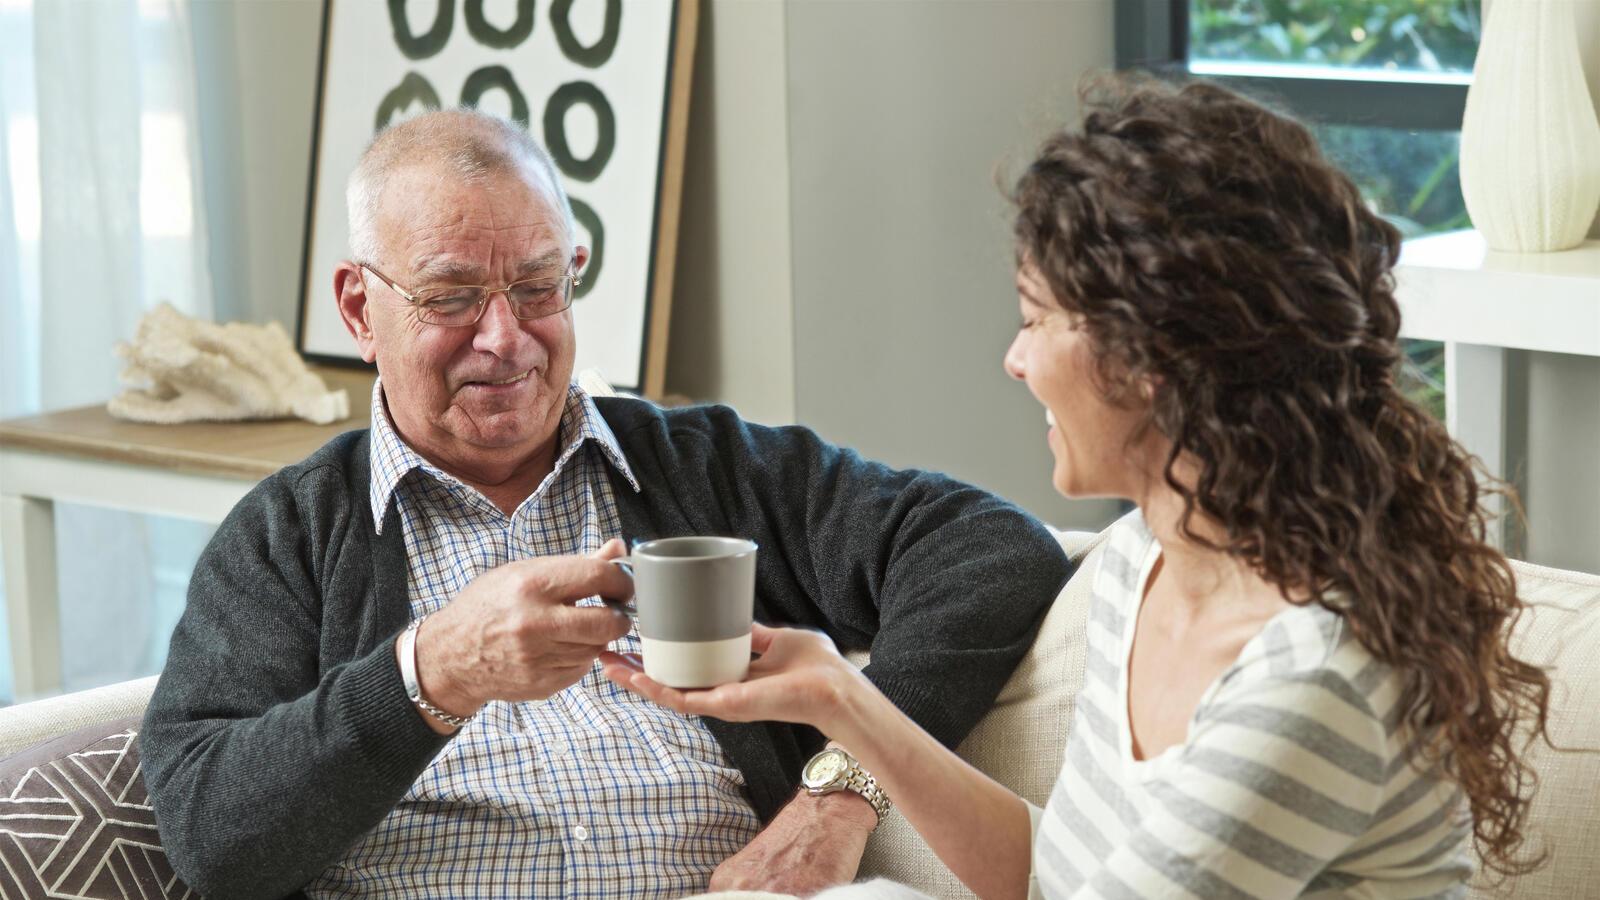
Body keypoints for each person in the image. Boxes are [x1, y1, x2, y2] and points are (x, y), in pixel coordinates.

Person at [604, 78, 1554, 899]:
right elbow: (1050, 878)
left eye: (1036, 319)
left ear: (1150, 360)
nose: (1014, 362)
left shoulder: (1314, 676)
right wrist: (842, 704)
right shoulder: (1144, 559)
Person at [138, 109, 1072, 900]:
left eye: (540, 286)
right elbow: (214, 834)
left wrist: (839, 795)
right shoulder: (289, 536)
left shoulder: (707, 468)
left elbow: (989, 550)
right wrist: (433, 674)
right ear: (358, 309)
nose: (505, 340)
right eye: (452, 297)